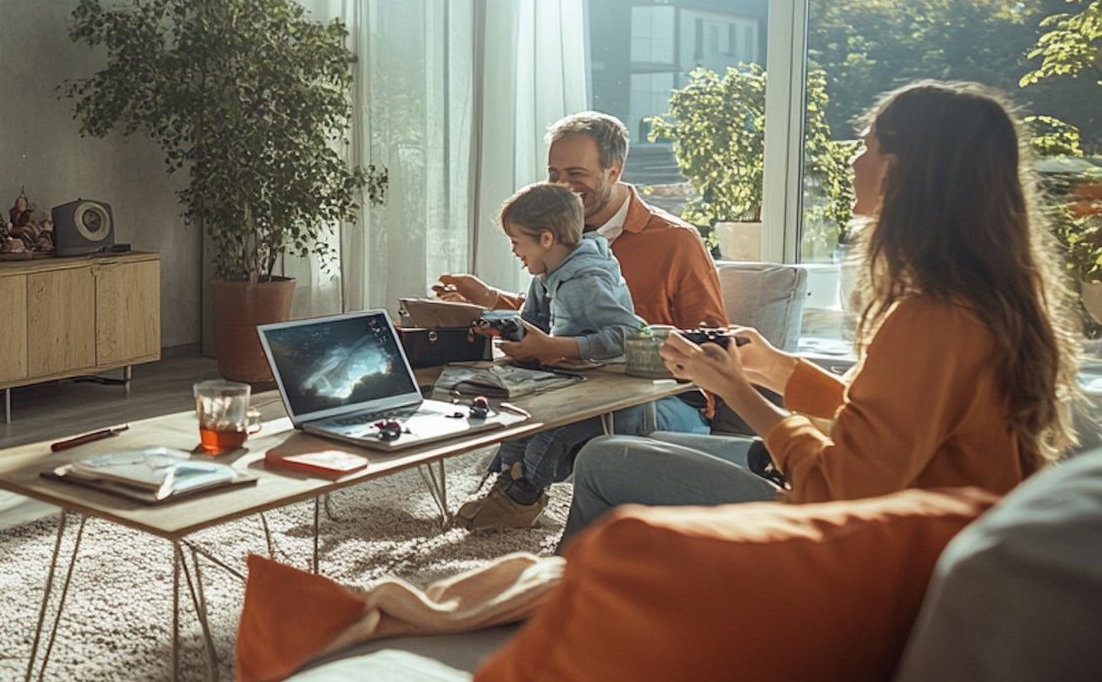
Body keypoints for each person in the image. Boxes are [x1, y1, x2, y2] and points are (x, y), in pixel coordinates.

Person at [558, 81, 1087, 547]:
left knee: (606, 459)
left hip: (881, 544)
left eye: (867, 146)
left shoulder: (930, 317)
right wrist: (772, 367)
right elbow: (882, 422)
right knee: (646, 446)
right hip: (913, 519)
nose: (853, 160)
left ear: (903, 172)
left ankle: (561, 623)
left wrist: (740, 393)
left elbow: (840, 487)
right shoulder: (973, 298)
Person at [435, 111, 730, 434]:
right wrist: (488, 299)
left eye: (576, 173)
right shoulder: (559, 236)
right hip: (583, 383)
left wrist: (644, 350)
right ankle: (512, 479)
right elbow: (564, 316)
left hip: (667, 397)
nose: (562, 185)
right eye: (554, 173)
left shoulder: (675, 240)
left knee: (593, 417)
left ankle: (524, 480)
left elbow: (715, 343)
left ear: (613, 171)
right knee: (496, 398)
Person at [457, 183, 643, 530]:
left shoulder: (586, 279)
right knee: (515, 422)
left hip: (608, 388)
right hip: (572, 377)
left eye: (516, 241)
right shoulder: (546, 274)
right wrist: (497, 329)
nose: (513, 250)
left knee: (546, 437)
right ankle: (507, 488)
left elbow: (628, 334)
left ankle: (522, 498)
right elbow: (534, 322)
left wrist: (554, 348)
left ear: (545, 238)